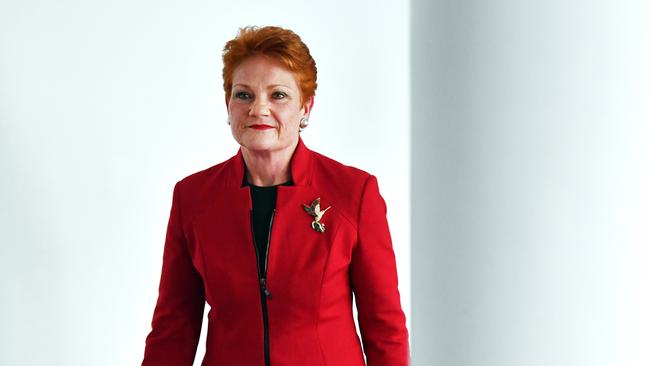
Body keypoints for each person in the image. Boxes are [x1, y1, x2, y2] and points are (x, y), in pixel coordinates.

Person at [141, 25, 410, 366]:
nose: (258, 109)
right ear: (228, 104)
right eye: (244, 95)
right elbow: (173, 329)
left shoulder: (354, 193)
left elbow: (384, 329)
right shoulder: (192, 198)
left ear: (306, 107)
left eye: (278, 95)